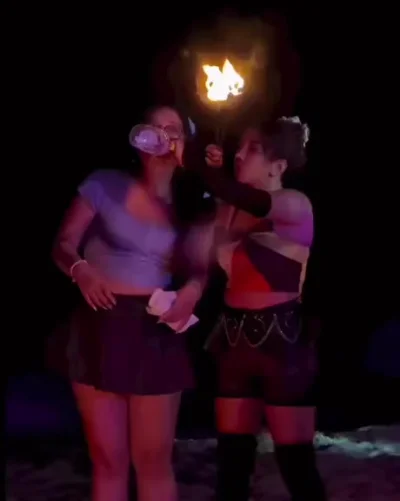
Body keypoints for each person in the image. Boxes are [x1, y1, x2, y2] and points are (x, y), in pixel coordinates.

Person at [51, 105, 213, 501]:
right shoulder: (105, 184)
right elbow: (63, 244)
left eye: (172, 129)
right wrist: (81, 270)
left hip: (154, 329)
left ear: (185, 140)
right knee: (108, 460)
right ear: (140, 137)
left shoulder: (195, 202)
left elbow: (201, 267)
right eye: (154, 127)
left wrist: (192, 292)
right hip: (99, 324)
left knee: (153, 460)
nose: (161, 135)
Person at [199, 117, 325, 501]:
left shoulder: (294, 203)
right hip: (234, 338)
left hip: (282, 343)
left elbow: (252, 201)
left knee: (296, 465)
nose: (239, 154)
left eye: (253, 149)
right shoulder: (229, 208)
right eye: (240, 147)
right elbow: (204, 257)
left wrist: (208, 169)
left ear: (278, 165)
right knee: (231, 465)